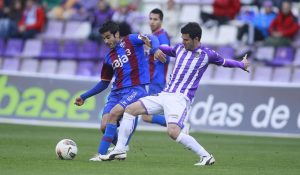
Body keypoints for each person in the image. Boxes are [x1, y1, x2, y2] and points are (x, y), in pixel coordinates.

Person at [101, 22, 250, 165]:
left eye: (186, 39)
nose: (183, 42)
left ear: (196, 39)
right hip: (165, 94)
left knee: (173, 132)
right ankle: (120, 149)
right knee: (130, 110)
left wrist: (241, 64)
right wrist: (154, 47)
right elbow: (165, 48)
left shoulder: (207, 54)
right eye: (182, 38)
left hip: (180, 98)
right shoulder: (179, 48)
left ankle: (206, 156)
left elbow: (225, 62)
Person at [74, 21, 166, 161]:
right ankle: (120, 148)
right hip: (116, 92)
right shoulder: (108, 57)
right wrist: (85, 96)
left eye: (108, 37)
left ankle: (101, 155)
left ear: (116, 34)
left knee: (114, 113)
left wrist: (155, 49)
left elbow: (152, 38)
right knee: (104, 126)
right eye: (104, 38)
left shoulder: (131, 40)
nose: (106, 41)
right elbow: (104, 82)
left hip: (136, 88)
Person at [141, 8, 170, 127]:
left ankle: (181, 125)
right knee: (144, 115)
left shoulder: (161, 36)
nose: (152, 22)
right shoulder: (154, 36)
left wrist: (152, 50)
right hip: (152, 80)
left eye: (155, 19)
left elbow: (165, 57)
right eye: (150, 19)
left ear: (161, 21)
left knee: (145, 116)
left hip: (155, 80)